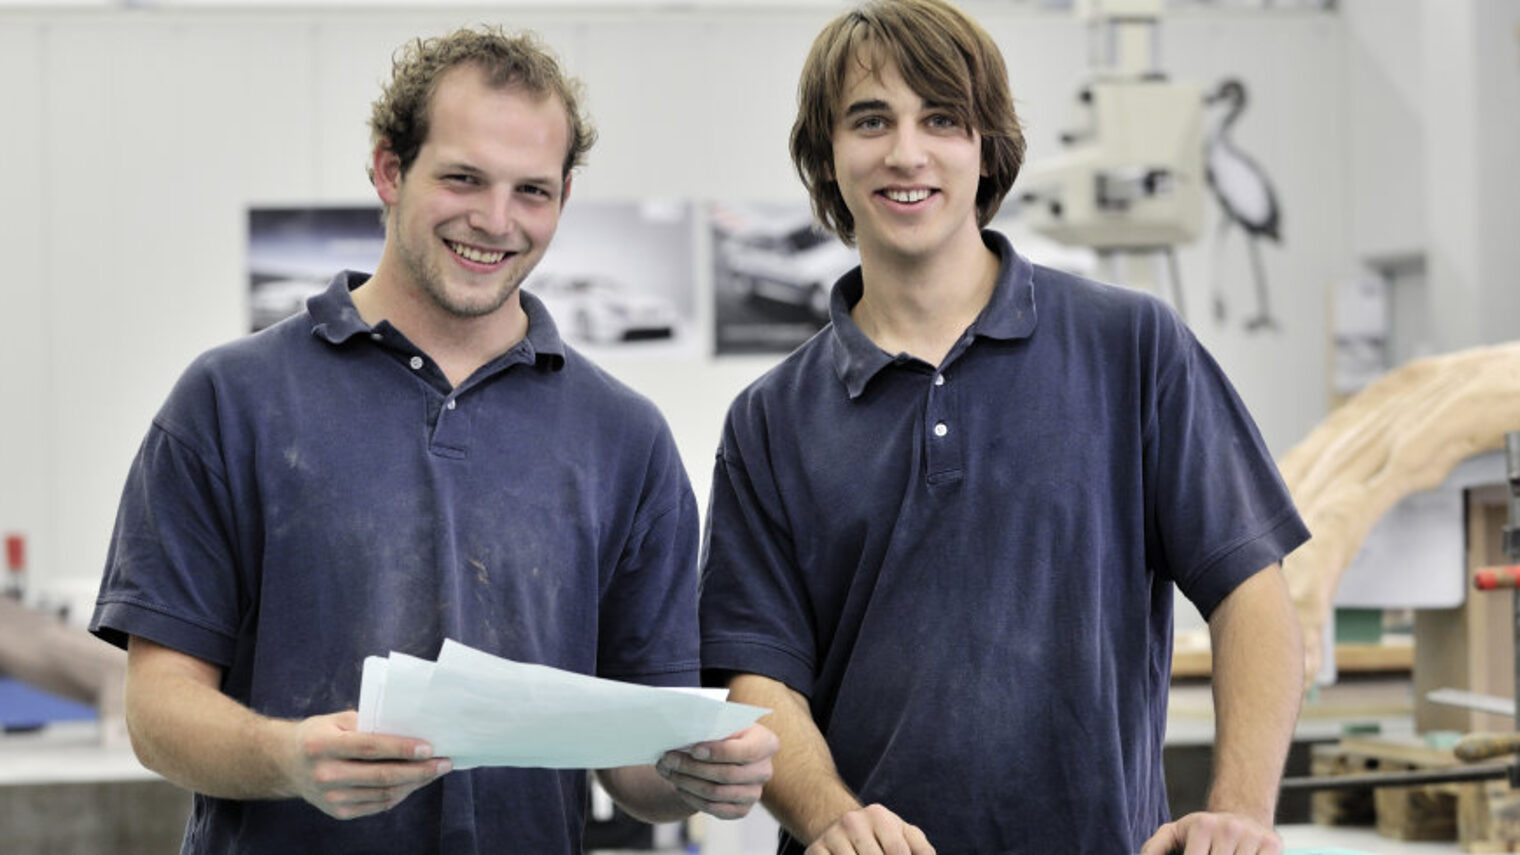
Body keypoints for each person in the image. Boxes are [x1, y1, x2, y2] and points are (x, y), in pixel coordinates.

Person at [90, 25, 775, 854]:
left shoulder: (624, 438)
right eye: (462, 178)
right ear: (389, 169)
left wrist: (695, 771)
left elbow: (636, 768)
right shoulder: (230, 402)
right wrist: (286, 758)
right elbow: (157, 709)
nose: (496, 220)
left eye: (533, 190)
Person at [694, 1, 1310, 853]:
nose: (906, 153)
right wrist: (834, 817)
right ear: (825, 156)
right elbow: (756, 671)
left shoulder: (1132, 347)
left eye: (941, 118)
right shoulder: (770, 418)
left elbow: (1252, 594)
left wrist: (1240, 811)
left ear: (987, 147)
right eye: (870, 121)